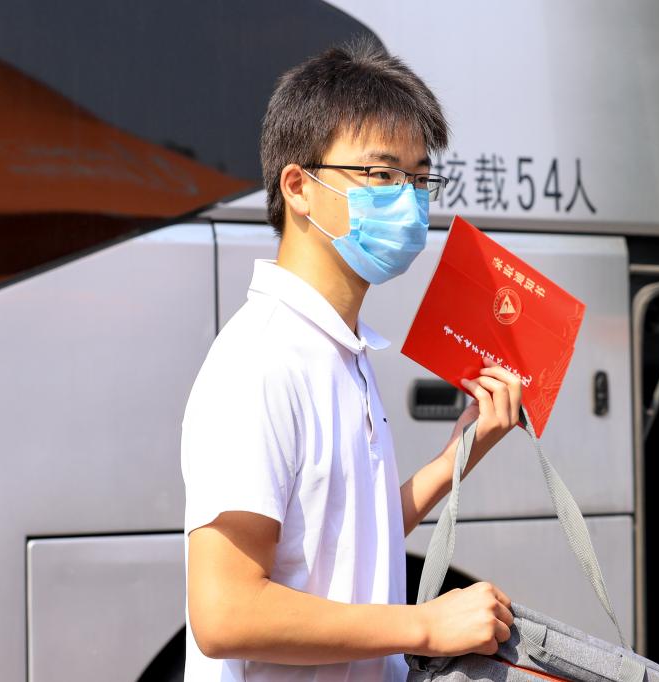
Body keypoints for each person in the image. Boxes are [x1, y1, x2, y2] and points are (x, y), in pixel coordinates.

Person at [180, 38, 523, 682]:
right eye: (381, 175)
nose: (408, 201)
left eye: (419, 179)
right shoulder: (261, 359)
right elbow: (225, 613)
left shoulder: (338, 348)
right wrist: (425, 625)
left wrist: (458, 457)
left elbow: (348, 539)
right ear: (298, 187)